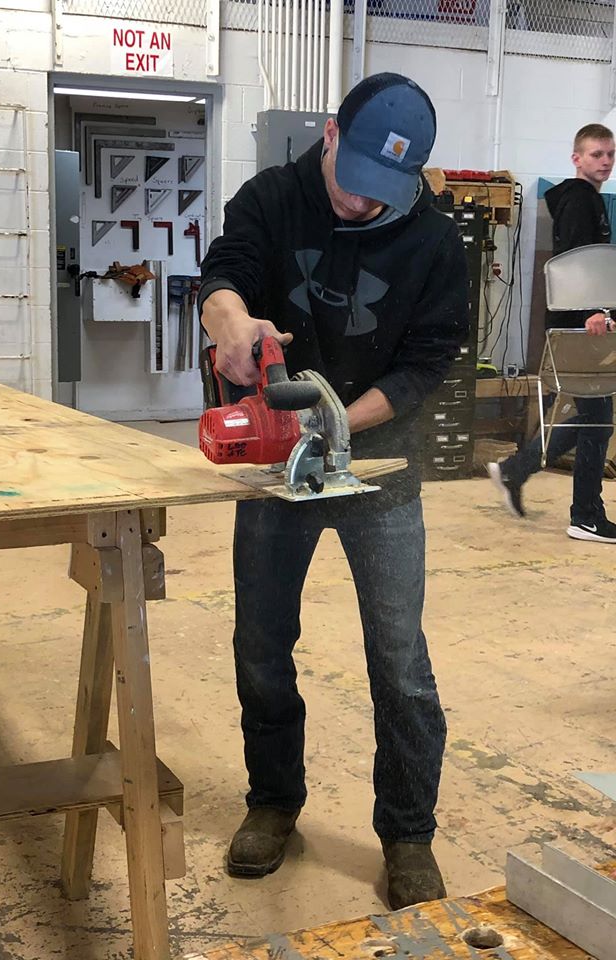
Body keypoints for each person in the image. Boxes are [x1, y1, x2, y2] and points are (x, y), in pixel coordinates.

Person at [198, 72, 469, 910]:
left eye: (384, 193)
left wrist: (336, 423)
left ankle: (408, 832)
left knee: (400, 660)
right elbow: (223, 276)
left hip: (379, 467)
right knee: (261, 643)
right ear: (327, 134)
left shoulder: (433, 241)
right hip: (276, 471)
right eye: (353, 182)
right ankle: (274, 801)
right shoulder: (272, 200)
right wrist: (233, 326)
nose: (362, 206)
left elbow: (426, 362)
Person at [488, 123, 616, 542]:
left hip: (576, 324)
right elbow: (576, 264)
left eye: (610, 154)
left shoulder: (578, 199)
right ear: (577, 158)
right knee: (598, 418)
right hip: (581, 326)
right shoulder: (580, 202)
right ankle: (585, 515)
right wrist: (596, 311)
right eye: (597, 154)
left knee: (594, 415)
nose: (606, 161)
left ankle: (516, 470)